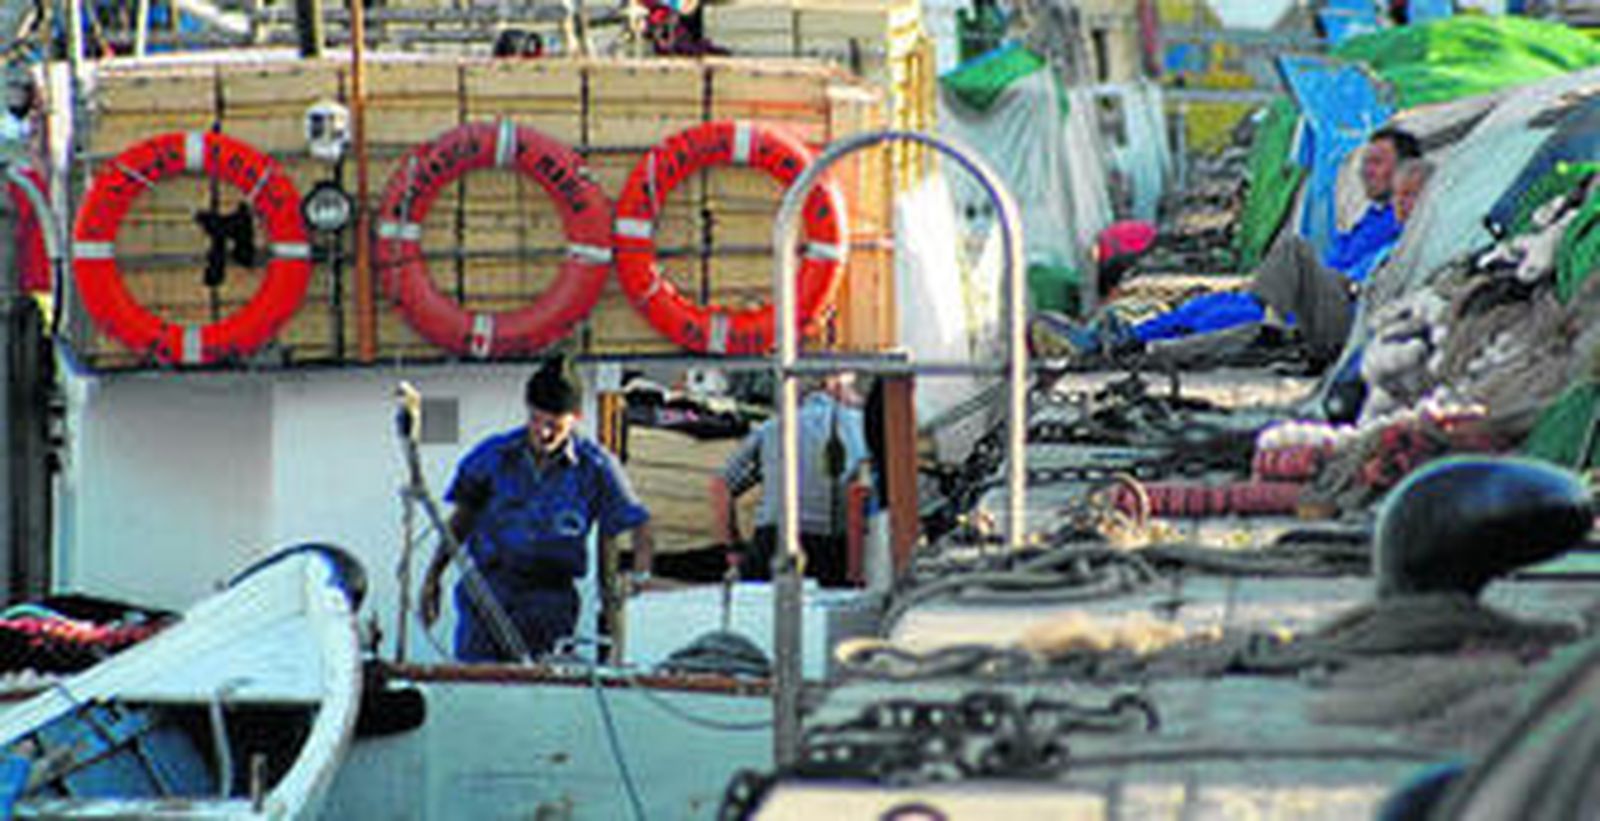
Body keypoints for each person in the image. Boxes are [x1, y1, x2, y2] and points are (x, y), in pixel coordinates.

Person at [1034, 127, 1424, 367]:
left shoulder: (1408, 228)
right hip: (1317, 301)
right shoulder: (1372, 218)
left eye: (1376, 164)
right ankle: (1125, 339)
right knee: (1210, 307)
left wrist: (1305, 286)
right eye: (1366, 162)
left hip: (1345, 315)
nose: (1364, 170)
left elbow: (1365, 280)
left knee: (1281, 262)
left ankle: (1134, 346)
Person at [420, 356, 655, 661]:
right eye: (536, 420)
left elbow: (639, 525)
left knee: (543, 685)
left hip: (550, 603)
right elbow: (460, 522)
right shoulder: (494, 456)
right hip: (489, 592)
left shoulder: (595, 467)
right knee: (478, 681)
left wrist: (637, 581)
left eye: (554, 425)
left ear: (576, 418)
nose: (543, 433)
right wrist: (432, 577)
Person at [709, 373, 868, 587]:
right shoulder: (860, 426)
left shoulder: (772, 427)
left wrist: (731, 549)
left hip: (773, 542)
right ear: (835, 388)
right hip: (835, 547)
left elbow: (722, 485)